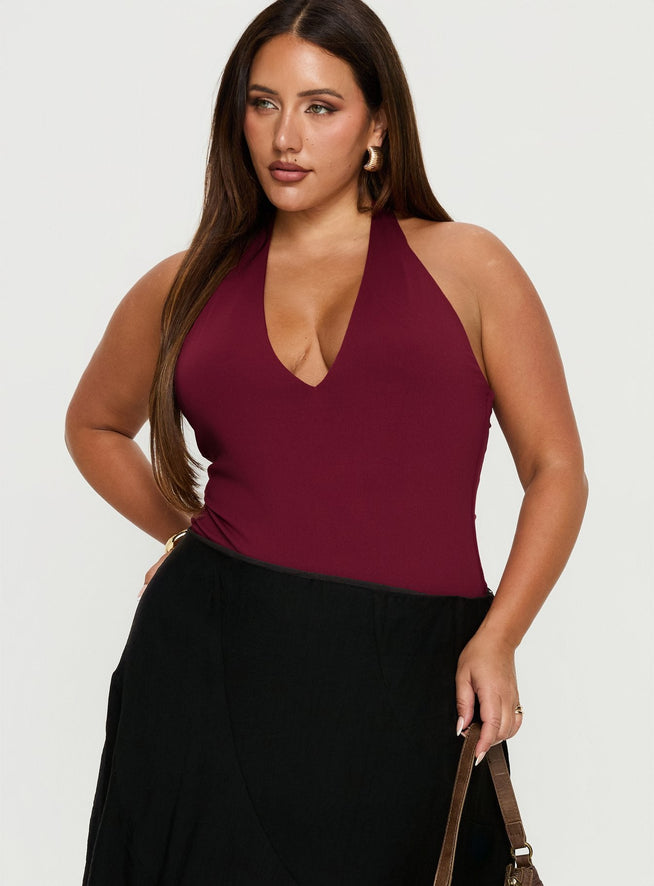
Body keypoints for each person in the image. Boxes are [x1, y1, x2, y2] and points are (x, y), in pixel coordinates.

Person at [65, 1, 588, 883]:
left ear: (377, 124)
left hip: (414, 671)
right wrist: (188, 535)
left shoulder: (467, 266)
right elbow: (93, 425)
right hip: (208, 662)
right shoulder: (186, 283)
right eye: (263, 103)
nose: (286, 137)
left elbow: (556, 469)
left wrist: (500, 637)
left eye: (320, 107)